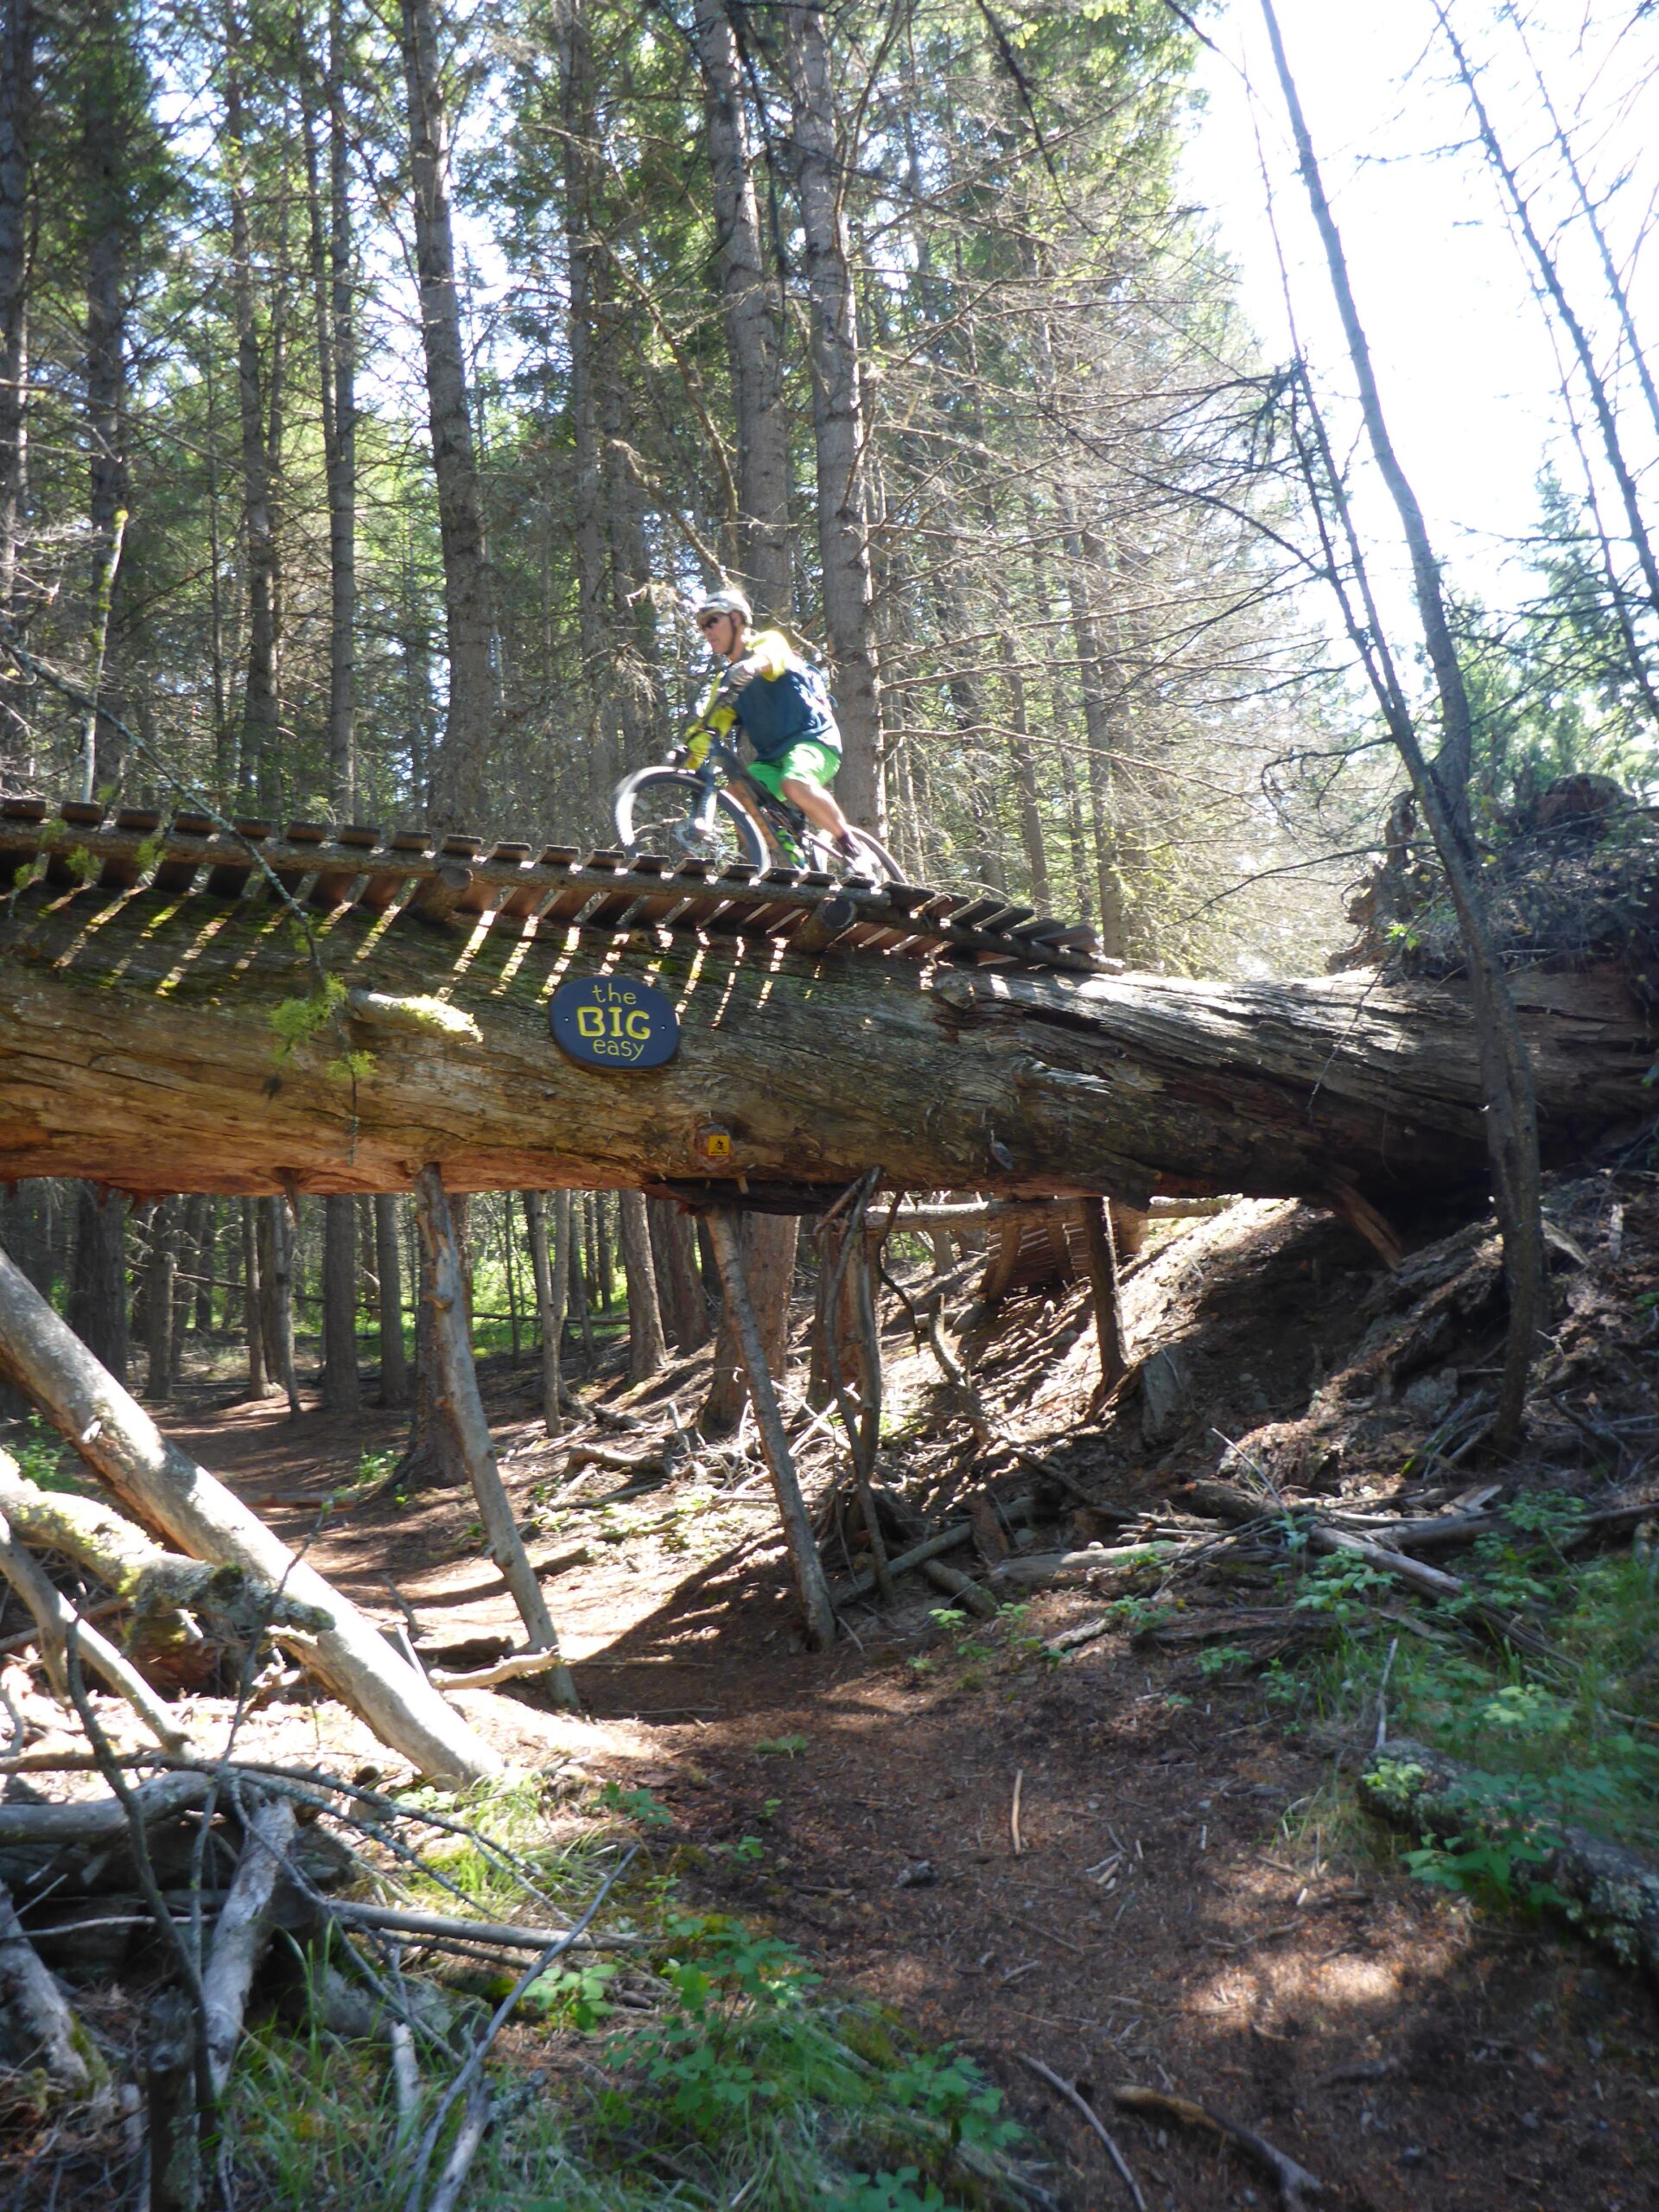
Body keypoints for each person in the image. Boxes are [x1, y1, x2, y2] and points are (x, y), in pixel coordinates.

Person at [685, 588, 861, 860]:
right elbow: (707, 728)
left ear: (737, 619)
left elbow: (772, 658)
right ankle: (784, 860)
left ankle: (851, 846)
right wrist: (687, 759)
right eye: (702, 627)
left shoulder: (768, 642)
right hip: (771, 759)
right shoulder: (725, 685)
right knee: (736, 795)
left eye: (712, 621)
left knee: (794, 783)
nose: (707, 631)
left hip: (814, 740)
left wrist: (751, 667)